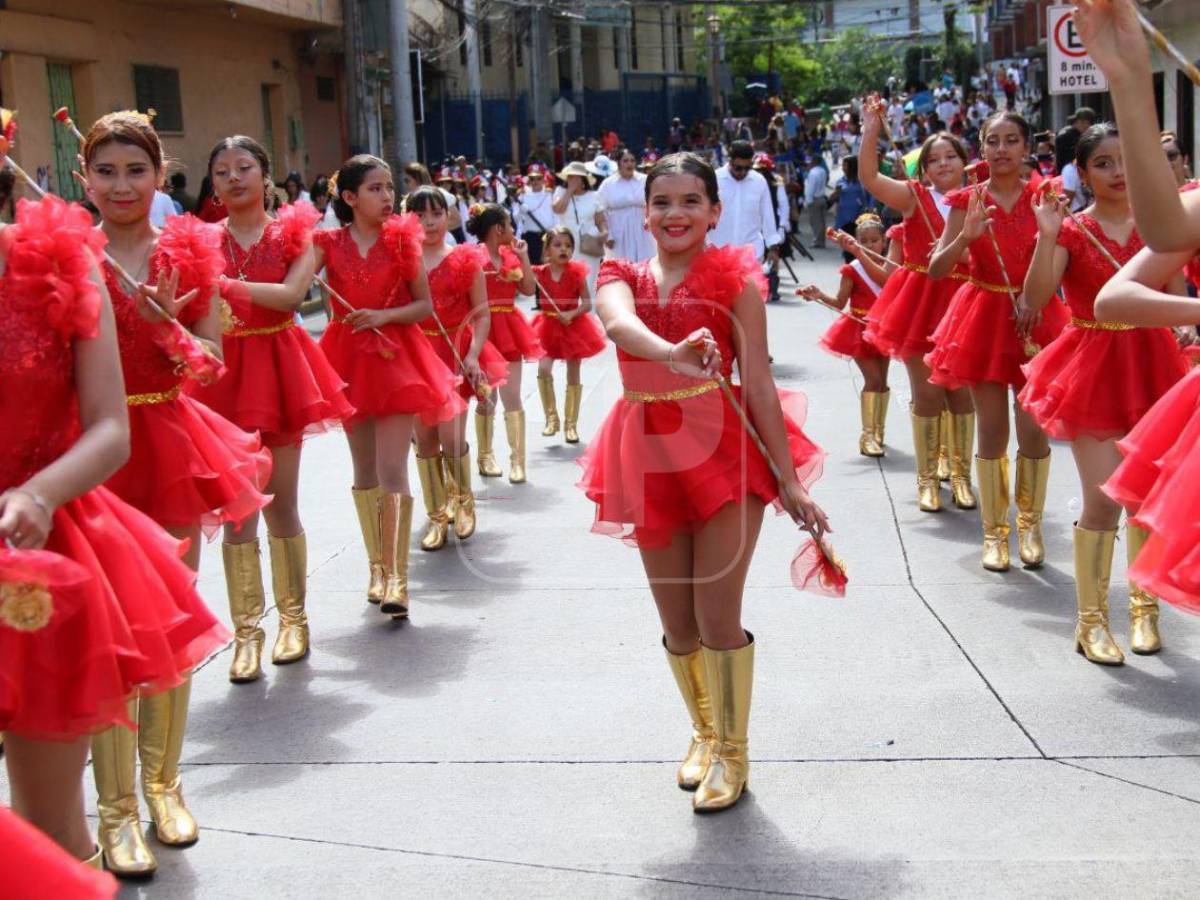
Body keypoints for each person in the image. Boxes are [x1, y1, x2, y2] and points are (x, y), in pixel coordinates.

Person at [579, 152, 829, 813]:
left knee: (718, 618)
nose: (676, 214)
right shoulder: (619, 273)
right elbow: (616, 323)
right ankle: (704, 730)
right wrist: (669, 352)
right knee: (678, 623)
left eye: (692, 201)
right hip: (648, 455)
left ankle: (734, 754)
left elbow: (762, 384)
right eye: (663, 202)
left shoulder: (736, 281)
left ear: (715, 211)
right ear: (646, 211)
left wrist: (790, 480)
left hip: (723, 454)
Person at [0, 189, 227, 876]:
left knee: (49, 831)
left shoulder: (56, 264)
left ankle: (147, 794)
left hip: (39, 556)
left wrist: (38, 494)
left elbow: (109, 427)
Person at [79, 111, 269, 875]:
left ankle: (164, 787)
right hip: (90, 452)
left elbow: (212, 366)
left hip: (167, 445)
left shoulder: (190, 253)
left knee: (168, 625)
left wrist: (169, 327)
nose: (121, 185)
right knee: (108, 628)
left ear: (160, 177)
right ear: (83, 180)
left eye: (135, 170)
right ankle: (114, 811)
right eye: (106, 171)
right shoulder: (64, 256)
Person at [1019, 123, 1190, 665]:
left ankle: (1145, 610)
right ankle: (1091, 621)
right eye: (1104, 163)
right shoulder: (1071, 231)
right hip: (1091, 366)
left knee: (1145, 498)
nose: (1118, 172)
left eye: (1124, 160)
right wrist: (1046, 235)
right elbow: (1035, 298)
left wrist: (1186, 329)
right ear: (1084, 172)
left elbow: (1176, 296)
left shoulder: (1163, 229)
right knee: (1102, 499)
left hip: (1156, 364)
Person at [193, 136, 354, 683]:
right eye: (221, 171)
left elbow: (290, 297)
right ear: (211, 183)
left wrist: (222, 285)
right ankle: (246, 634)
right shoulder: (199, 239)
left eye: (244, 168)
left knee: (280, 503)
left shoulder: (293, 232)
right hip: (220, 378)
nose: (233, 178)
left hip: (279, 369)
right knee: (236, 509)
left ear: (266, 174)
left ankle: (293, 620)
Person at [312, 156, 461, 619]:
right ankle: (376, 567)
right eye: (375, 188)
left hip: (397, 359)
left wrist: (383, 316)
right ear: (350, 198)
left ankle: (398, 577)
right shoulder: (326, 243)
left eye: (389, 187)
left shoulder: (402, 240)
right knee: (364, 472)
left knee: (393, 467)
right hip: (345, 360)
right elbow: (297, 285)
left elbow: (423, 306)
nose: (386, 196)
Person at [926, 111, 1070, 572]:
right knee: (992, 430)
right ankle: (995, 531)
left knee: (1032, 428)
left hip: (1039, 316)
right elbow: (935, 269)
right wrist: (965, 237)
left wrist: (1034, 295)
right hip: (984, 317)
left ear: (1027, 147)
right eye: (993, 141)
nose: (1002, 149)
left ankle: (1029, 524)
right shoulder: (966, 200)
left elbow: (1063, 258)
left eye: (1012, 141)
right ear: (982, 147)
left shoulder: (1046, 196)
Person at [410, 187, 507, 551]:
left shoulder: (465, 259)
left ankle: (463, 501)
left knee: (451, 439)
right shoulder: (404, 261)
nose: (429, 222)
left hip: (455, 351)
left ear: (449, 217)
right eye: (420, 215)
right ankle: (437, 515)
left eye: (436, 214)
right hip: (418, 356)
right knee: (425, 441)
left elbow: (482, 315)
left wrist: (473, 355)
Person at [799, 213, 893, 456]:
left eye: (875, 240)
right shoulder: (852, 270)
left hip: (884, 329)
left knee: (882, 382)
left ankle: (879, 430)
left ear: (884, 241)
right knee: (872, 380)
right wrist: (818, 294)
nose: (871, 245)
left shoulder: (891, 267)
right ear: (856, 244)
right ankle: (867, 436)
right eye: (865, 241)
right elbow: (840, 302)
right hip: (859, 328)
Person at [468, 203, 541, 483]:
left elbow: (528, 289)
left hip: (509, 328)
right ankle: (485, 456)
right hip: (482, 330)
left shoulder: (511, 255)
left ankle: (517, 461)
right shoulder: (471, 256)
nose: (513, 230)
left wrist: (523, 258)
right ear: (499, 229)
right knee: (486, 396)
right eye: (509, 225)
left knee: (512, 395)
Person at [532, 227, 607, 444]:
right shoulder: (540, 273)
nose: (563, 249)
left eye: (568, 245)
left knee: (573, 373)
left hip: (573, 326)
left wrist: (571, 313)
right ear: (547, 250)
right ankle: (551, 418)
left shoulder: (576, 273)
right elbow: (522, 278)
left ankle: (570, 425)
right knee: (543, 368)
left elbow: (586, 303)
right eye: (557, 245)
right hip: (547, 325)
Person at [710, 142, 781, 278]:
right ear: (729, 161)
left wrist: (773, 249)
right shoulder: (714, 179)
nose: (742, 172)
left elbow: (767, 216)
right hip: (718, 253)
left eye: (747, 168)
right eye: (738, 168)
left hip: (751, 255)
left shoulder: (759, 181)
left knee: (748, 298)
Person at [551, 160, 607, 291]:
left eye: (576, 177)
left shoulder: (594, 196)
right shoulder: (560, 192)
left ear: (583, 179)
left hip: (588, 241)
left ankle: (589, 310)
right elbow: (557, 209)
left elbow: (600, 221)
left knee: (589, 278)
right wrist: (569, 191)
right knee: (567, 278)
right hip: (566, 242)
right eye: (570, 176)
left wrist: (604, 232)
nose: (572, 179)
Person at [597, 148, 654, 261]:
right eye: (625, 161)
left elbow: (654, 203)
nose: (630, 164)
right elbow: (599, 211)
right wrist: (607, 234)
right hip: (618, 233)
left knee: (646, 265)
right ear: (618, 163)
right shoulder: (608, 184)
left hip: (643, 231)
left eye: (632, 160)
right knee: (621, 266)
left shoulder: (645, 180)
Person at [753, 153, 791, 303]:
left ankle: (773, 290)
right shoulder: (752, 182)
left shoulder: (777, 183)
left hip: (772, 224)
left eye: (763, 170)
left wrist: (782, 226)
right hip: (755, 225)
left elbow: (784, 206)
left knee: (773, 258)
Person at [829, 156, 871, 262]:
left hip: (858, 219)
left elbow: (870, 198)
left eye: (845, 165)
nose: (843, 167)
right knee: (847, 248)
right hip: (843, 219)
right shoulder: (841, 181)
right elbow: (833, 198)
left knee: (856, 248)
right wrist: (835, 194)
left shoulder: (862, 182)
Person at [515, 164, 554, 265]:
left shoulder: (550, 194)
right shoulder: (522, 196)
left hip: (547, 236)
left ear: (543, 179)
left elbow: (555, 217)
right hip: (530, 237)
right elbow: (516, 219)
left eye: (538, 178)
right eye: (532, 179)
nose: (535, 181)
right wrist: (520, 211)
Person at [1055, 107, 1096, 175]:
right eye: (1082, 122)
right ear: (1075, 122)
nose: (1085, 125)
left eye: (1088, 123)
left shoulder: (1088, 135)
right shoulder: (1066, 136)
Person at [803, 156, 829, 248]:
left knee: (815, 222)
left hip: (815, 199)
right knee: (822, 221)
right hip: (822, 197)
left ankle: (817, 241)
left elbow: (810, 189)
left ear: (813, 162)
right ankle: (822, 240)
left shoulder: (812, 173)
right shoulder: (822, 171)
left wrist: (808, 202)